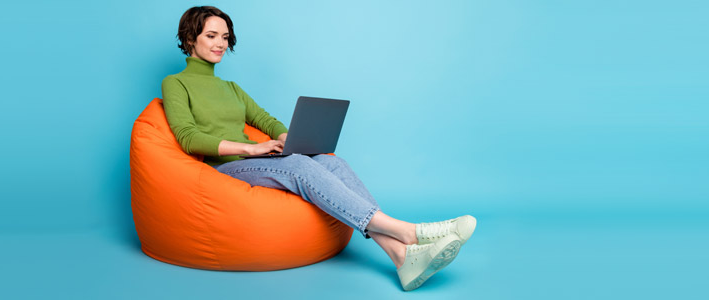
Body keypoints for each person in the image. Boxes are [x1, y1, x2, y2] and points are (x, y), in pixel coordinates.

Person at [160, 6, 477, 291]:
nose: (220, 44)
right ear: (190, 39)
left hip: (257, 160)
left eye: (225, 37)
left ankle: (401, 257)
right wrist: (253, 150)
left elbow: (264, 119)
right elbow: (187, 137)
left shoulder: (231, 88)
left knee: (330, 163)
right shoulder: (176, 83)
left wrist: (286, 137)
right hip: (225, 168)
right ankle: (407, 231)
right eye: (211, 35)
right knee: (300, 167)